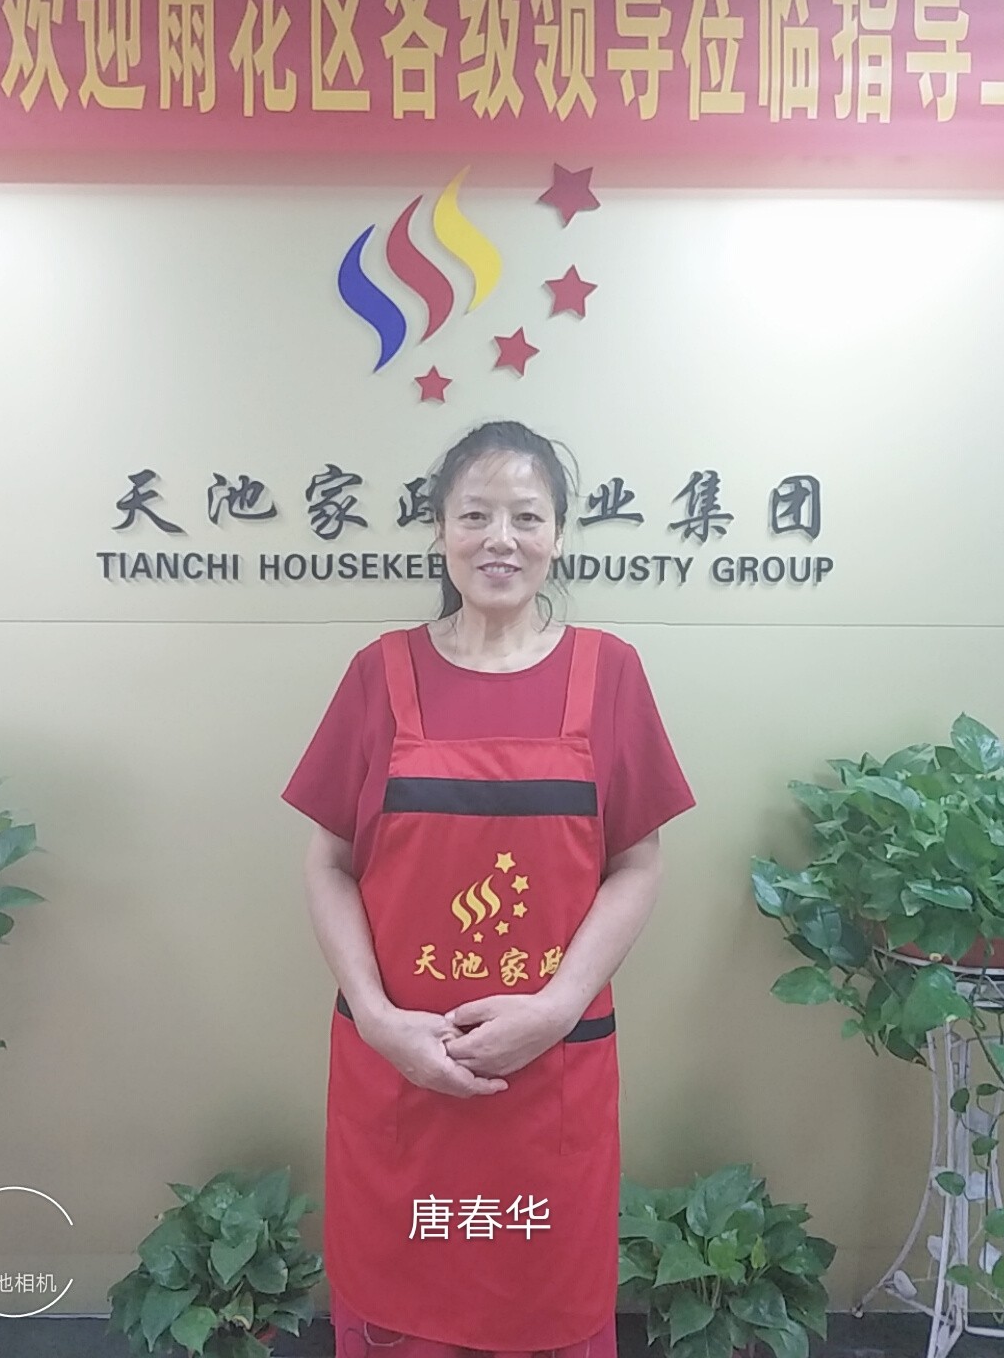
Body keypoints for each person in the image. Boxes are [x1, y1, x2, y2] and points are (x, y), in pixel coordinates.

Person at [281, 420, 695, 1358]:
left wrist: (557, 1006)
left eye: (525, 517)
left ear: (559, 534)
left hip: (549, 1072)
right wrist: (378, 1017)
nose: (499, 538)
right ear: (439, 530)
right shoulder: (380, 674)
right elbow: (328, 863)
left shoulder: (609, 673)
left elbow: (637, 863)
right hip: (400, 1070)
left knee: (546, 1311)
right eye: (475, 515)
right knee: (397, 1315)